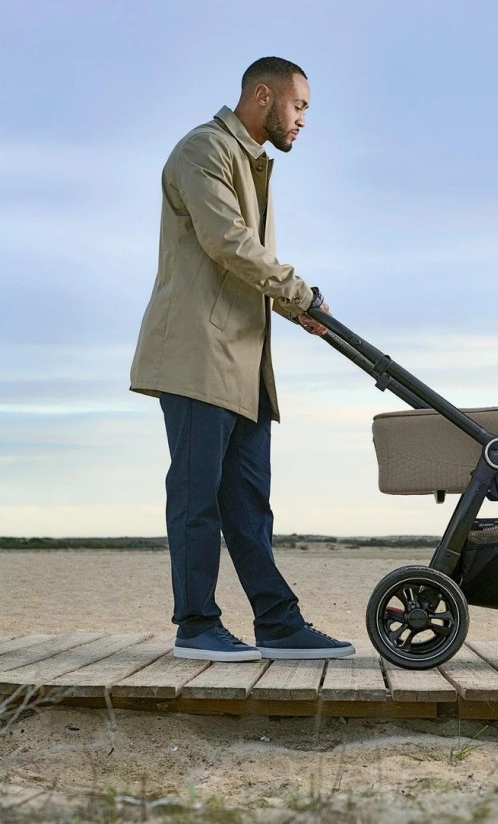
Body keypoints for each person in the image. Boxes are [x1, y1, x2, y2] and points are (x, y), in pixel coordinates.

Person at [130, 57, 354, 662]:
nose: (305, 119)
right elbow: (227, 242)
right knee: (196, 496)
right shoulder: (203, 150)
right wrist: (298, 291)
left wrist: (294, 309)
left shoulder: (253, 163)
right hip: (198, 356)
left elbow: (244, 262)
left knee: (249, 504)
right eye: (300, 105)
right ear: (263, 96)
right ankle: (196, 625)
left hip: (245, 362)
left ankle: (278, 622)